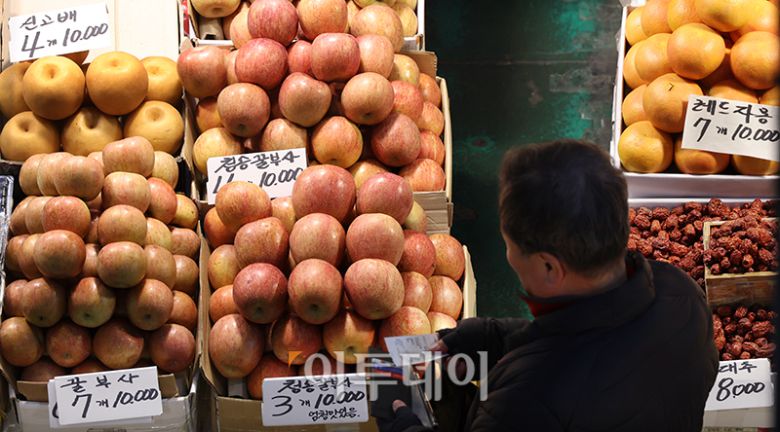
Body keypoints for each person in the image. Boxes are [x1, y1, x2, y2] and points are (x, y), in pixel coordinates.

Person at [377, 140, 719, 432]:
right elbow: (596, 339)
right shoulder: (681, 294)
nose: (508, 256)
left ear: (549, 267)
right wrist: (494, 337)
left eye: (510, 244)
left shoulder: (519, 405)